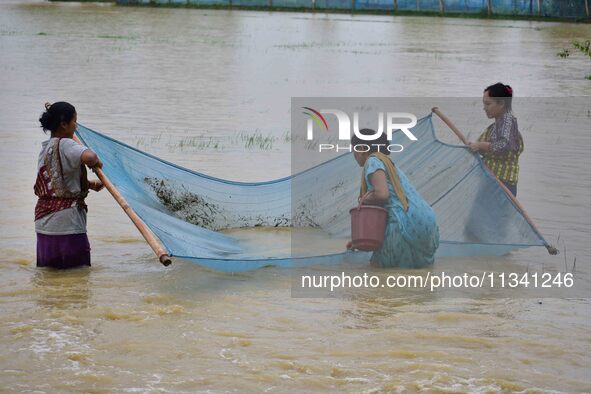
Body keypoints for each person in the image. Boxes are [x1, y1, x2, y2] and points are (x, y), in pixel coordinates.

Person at [346, 129, 439, 268]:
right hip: (425, 221)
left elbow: (382, 194)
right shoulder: (388, 164)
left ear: (361, 149)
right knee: (415, 277)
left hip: (405, 223)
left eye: (353, 150)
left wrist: (364, 199)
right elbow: (383, 210)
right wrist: (359, 240)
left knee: (377, 272)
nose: (353, 154)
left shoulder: (372, 161)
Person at [35, 102, 104, 269]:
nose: (76, 125)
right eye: (74, 121)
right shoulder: (67, 144)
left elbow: (57, 182)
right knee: (77, 276)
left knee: (50, 279)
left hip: (44, 224)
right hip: (67, 224)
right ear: (63, 124)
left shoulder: (46, 149)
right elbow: (90, 158)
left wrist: (88, 185)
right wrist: (97, 161)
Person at [467, 82, 524, 196]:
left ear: (501, 103)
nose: (484, 108)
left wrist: (480, 145)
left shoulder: (508, 124)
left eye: (488, 104)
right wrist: (475, 146)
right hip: (491, 182)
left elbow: (503, 145)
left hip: (502, 186)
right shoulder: (498, 125)